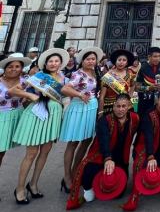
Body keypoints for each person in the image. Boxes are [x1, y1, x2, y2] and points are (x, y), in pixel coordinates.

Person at [11, 48, 69, 204]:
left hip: (54, 116)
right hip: (37, 114)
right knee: (31, 154)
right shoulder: (38, 76)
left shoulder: (63, 78)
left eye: (56, 61)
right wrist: (30, 95)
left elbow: (66, 96)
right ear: (45, 63)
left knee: (45, 152)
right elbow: (13, 90)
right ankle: (20, 188)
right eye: (50, 61)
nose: (53, 63)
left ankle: (33, 184)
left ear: (60, 63)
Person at [66, 95, 139, 209]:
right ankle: (91, 186)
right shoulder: (104, 120)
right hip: (101, 155)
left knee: (118, 194)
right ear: (113, 107)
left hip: (121, 158)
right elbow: (104, 140)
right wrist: (108, 158)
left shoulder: (135, 119)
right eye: (118, 106)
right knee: (87, 175)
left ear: (129, 106)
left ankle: (103, 181)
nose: (120, 109)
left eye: (123, 106)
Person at [122, 88, 160, 211]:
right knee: (143, 167)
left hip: (159, 148)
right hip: (144, 147)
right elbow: (149, 136)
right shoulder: (149, 115)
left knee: (158, 174)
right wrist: (150, 156)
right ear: (157, 100)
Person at [60, 47, 103, 194]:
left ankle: (74, 172)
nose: (91, 61)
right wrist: (79, 94)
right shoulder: (78, 74)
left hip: (91, 109)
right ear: (82, 61)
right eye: (88, 59)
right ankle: (66, 177)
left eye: (93, 59)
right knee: (73, 143)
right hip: (79, 109)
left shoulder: (96, 72)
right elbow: (65, 89)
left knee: (85, 142)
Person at [0, 54, 32, 170]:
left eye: (17, 66)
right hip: (1, 118)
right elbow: (9, 93)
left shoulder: (25, 82)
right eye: (10, 66)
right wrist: (27, 95)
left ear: (22, 68)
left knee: (3, 150)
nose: (14, 69)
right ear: (5, 68)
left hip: (17, 117)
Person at [98, 49, 136, 116]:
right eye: (119, 60)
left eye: (124, 60)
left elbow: (133, 85)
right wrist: (100, 112)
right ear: (115, 61)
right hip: (110, 107)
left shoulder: (130, 74)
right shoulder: (108, 76)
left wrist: (129, 96)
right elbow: (102, 96)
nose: (121, 62)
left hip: (125, 106)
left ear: (127, 63)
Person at [136, 47, 160, 117]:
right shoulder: (143, 68)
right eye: (155, 56)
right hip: (145, 103)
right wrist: (149, 88)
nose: (158, 58)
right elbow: (136, 88)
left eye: (159, 56)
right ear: (149, 57)